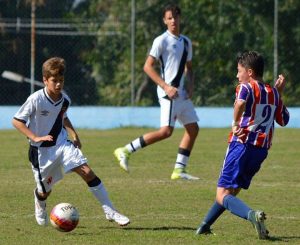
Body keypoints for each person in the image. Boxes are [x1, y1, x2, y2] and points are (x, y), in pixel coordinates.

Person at [12, 57, 130, 227]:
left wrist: (74, 134)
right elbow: (17, 121)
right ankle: (39, 200)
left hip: (61, 144)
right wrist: (35, 137)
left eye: (61, 80)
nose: (58, 84)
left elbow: (62, 117)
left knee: (87, 172)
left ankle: (110, 211)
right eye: (54, 81)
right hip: (40, 153)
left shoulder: (64, 99)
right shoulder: (36, 99)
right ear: (45, 80)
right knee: (45, 191)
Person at [195, 51, 289, 239]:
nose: (237, 76)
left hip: (241, 145)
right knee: (232, 191)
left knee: (222, 194)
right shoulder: (273, 93)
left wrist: (235, 124)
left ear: (250, 72)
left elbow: (240, 104)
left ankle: (252, 216)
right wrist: (279, 94)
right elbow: (284, 120)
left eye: (239, 71)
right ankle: (204, 226)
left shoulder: (245, 87)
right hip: (260, 151)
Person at [114, 4, 199, 180]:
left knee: (193, 129)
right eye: (169, 18)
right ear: (164, 21)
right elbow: (147, 66)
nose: (173, 20)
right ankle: (125, 150)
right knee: (166, 131)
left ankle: (179, 170)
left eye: (175, 17)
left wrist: (191, 86)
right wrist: (166, 86)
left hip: (181, 94)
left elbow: (189, 68)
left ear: (180, 18)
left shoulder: (186, 42)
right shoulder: (161, 41)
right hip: (168, 94)